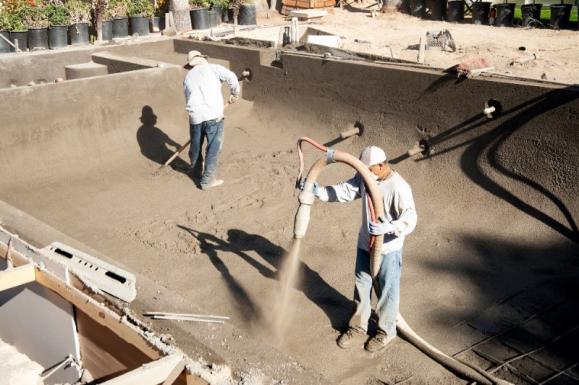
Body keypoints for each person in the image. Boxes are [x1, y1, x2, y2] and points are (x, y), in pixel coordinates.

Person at [313, 145, 417, 352]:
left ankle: (385, 332)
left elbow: (411, 217)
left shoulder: (399, 187)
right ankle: (358, 328)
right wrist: (319, 192)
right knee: (361, 287)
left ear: (380, 165)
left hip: (388, 250)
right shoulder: (365, 178)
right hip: (365, 245)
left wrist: (390, 227)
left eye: (367, 169)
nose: (363, 173)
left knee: (387, 291)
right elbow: (345, 191)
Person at [183, 50, 240, 189]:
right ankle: (207, 180)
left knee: (196, 146)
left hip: (195, 116)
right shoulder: (214, 68)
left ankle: (196, 172)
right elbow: (232, 77)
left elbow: (187, 97)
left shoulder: (188, 76)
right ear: (202, 59)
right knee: (213, 147)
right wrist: (235, 93)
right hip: (213, 114)